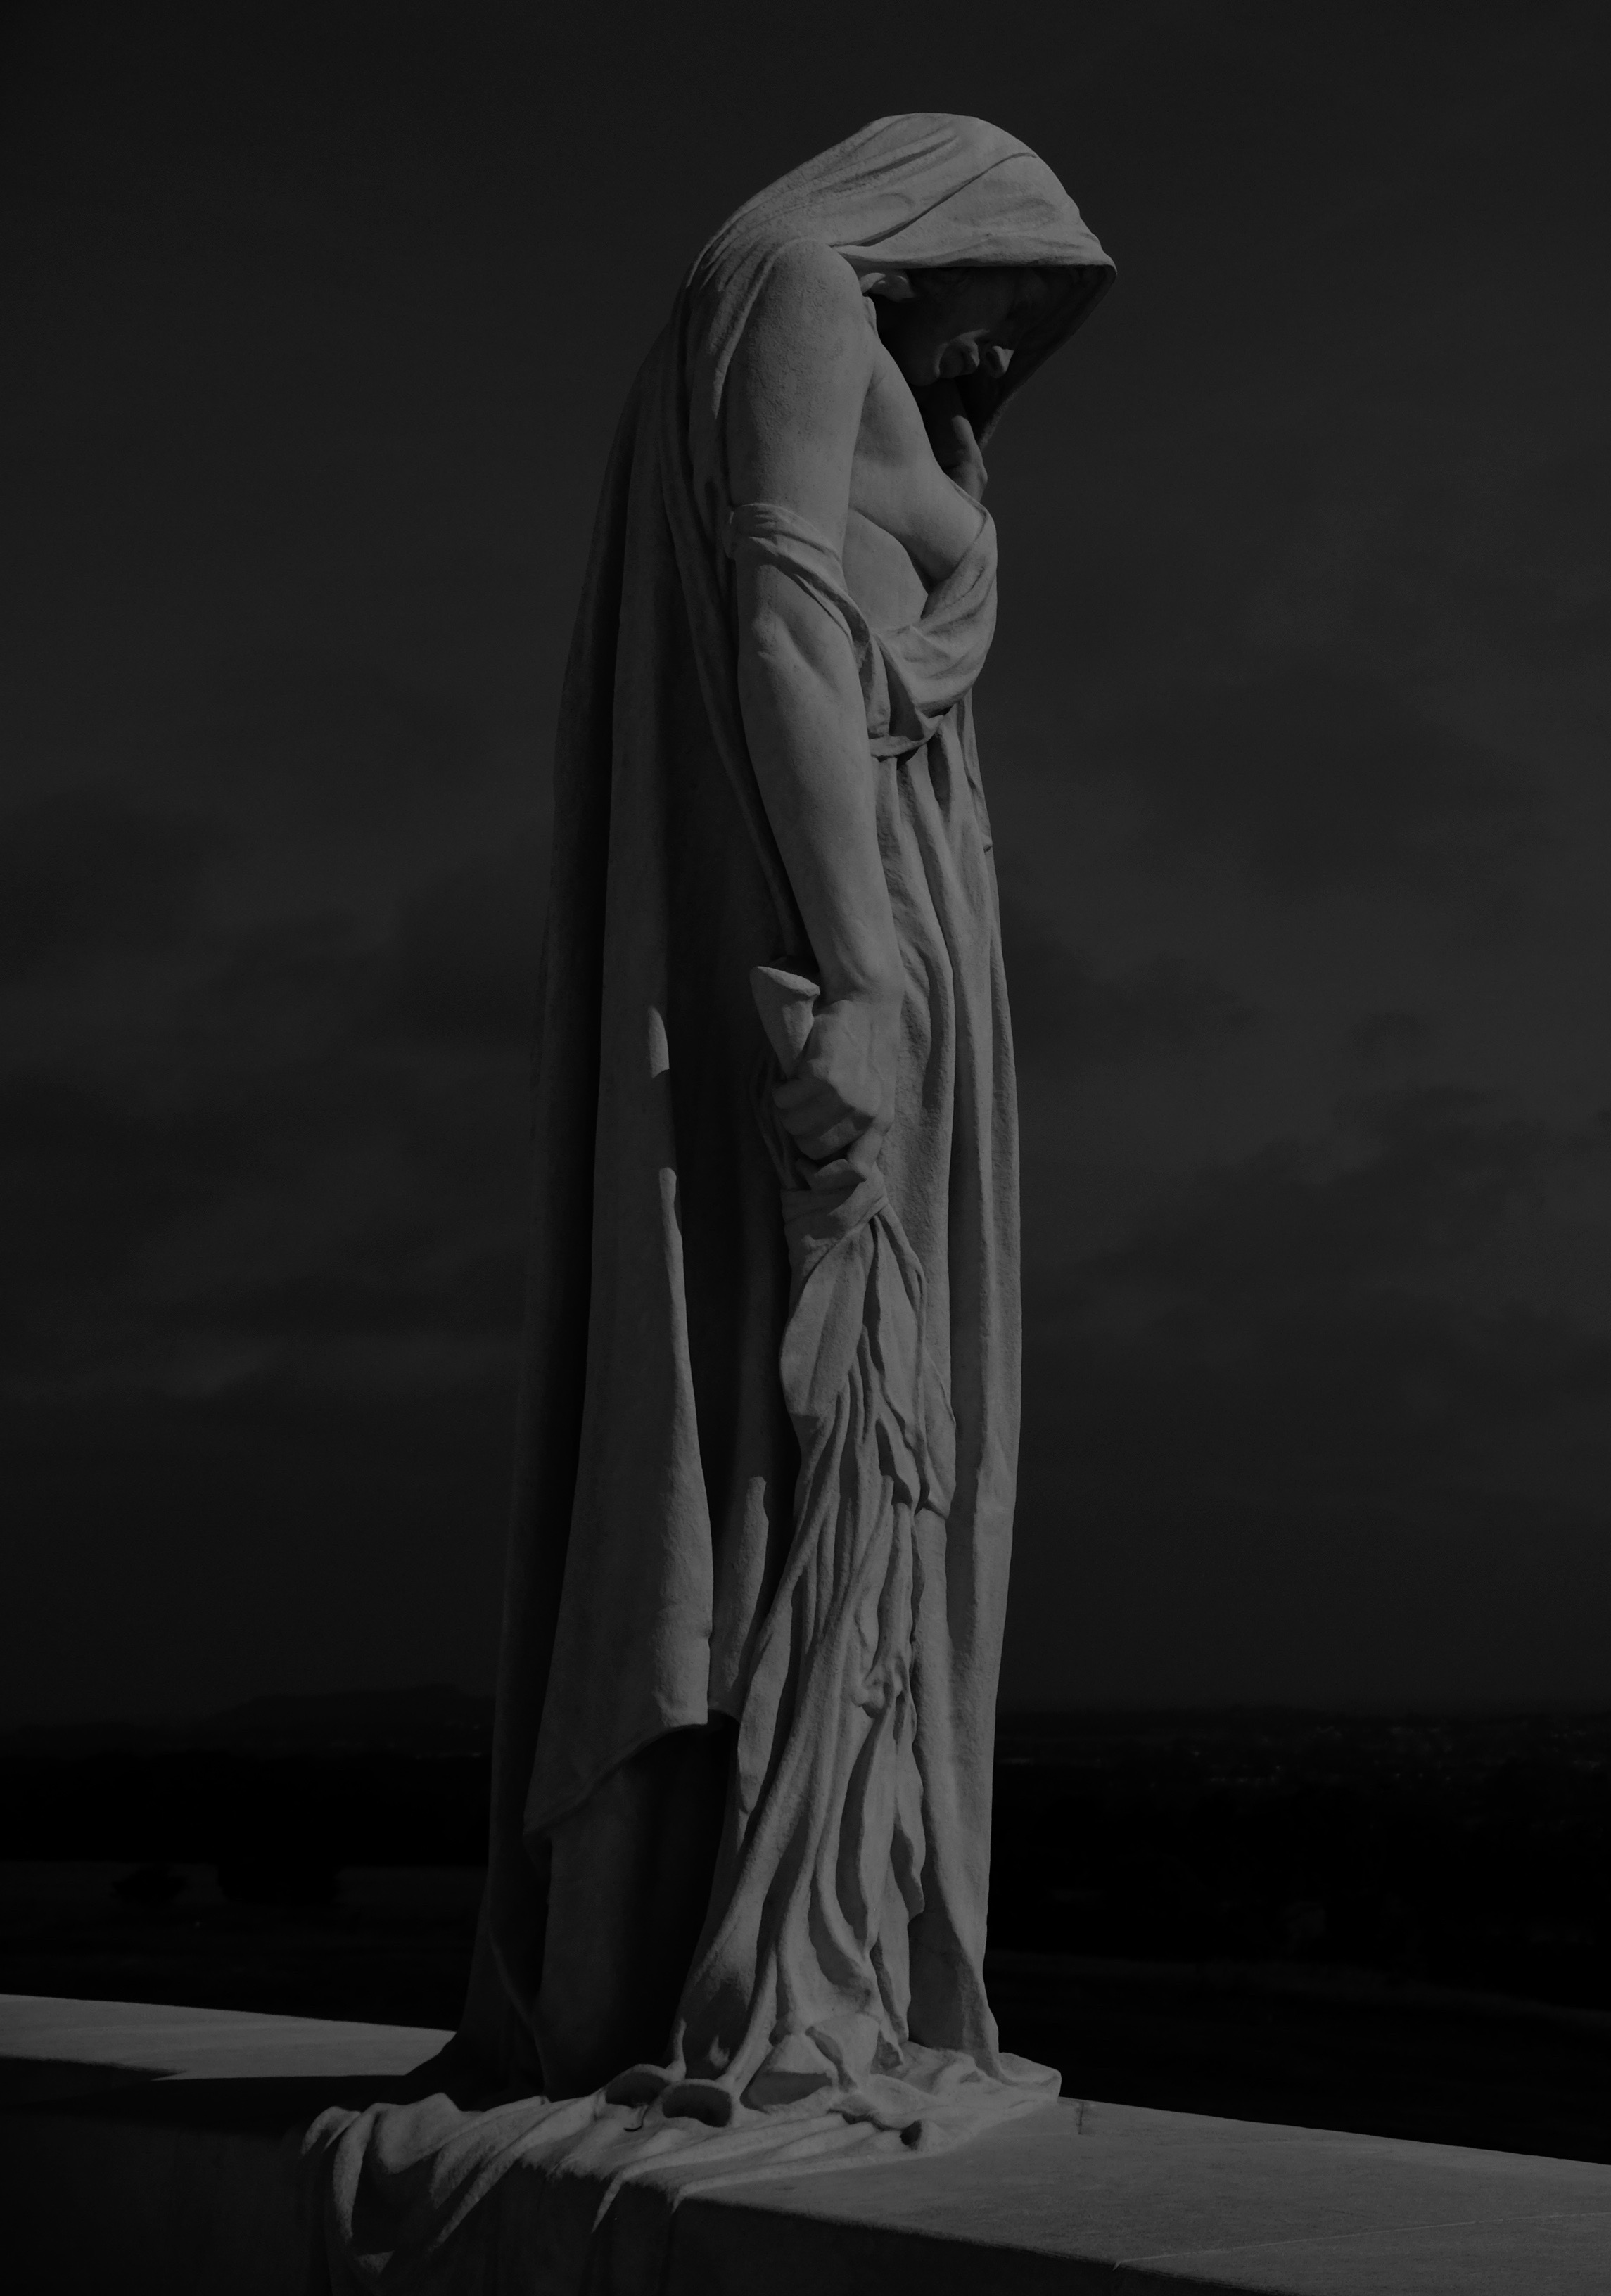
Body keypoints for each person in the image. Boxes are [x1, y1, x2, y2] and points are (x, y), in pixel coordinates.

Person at [304, 116, 1112, 2288]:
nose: (1017, 347)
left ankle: (815, 1937)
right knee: (814, 1419)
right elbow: (775, 608)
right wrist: (854, 972)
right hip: (843, 931)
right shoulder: (796, 290)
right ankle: (765, 1953)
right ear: (939, 221)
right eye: (1018, 292)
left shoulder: (862, 350)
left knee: (866, 1439)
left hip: (894, 905)